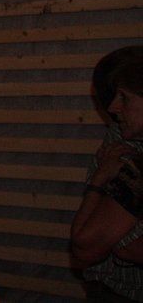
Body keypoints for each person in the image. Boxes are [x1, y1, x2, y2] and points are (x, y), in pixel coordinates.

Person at [72, 45, 143, 300]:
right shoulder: (120, 145)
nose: (113, 107)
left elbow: (89, 245)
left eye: (124, 97)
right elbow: (89, 247)